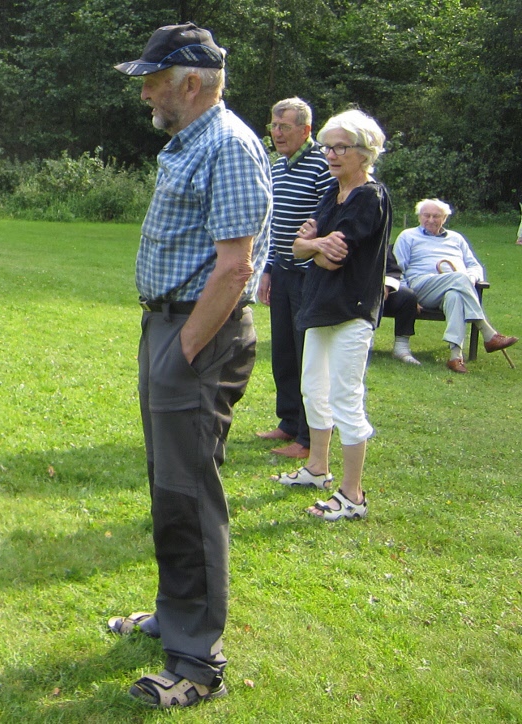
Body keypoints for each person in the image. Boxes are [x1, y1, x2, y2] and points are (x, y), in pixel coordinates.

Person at [108, 23, 271, 709]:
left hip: (197, 337)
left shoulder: (228, 145)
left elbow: (235, 268)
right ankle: (174, 616)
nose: (145, 92)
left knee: (189, 494)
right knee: (168, 485)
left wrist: (183, 351)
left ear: (192, 83)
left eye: (152, 81)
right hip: (169, 328)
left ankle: (198, 664)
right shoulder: (189, 142)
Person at [274, 109, 391, 522]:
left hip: (351, 311)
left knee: (345, 398)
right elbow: (297, 247)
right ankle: (317, 469)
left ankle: (352, 495)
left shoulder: (369, 197)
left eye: (341, 147)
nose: (331, 154)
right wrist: (314, 245)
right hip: (319, 307)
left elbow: (333, 258)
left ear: (365, 152)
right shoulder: (333, 192)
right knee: (313, 390)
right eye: (328, 147)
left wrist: (314, 245)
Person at [255, 97, 334, 460]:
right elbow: (274, 226)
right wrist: (268, 270)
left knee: (308, 357)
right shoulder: (277, 167)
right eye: (273, 126)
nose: (277, 133)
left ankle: (307, 437)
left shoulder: (322, 165)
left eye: (284, 126)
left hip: (310, 276)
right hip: (283, 272)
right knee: (284, 353)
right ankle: (288, 422)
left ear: (306, 130)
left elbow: (327, 220)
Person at [393, 198, 517, 373]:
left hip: (454, 285)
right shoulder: (408, 236)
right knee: (459, 279)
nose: (431, 220)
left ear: (444, 218)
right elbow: (397, 269)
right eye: (426, 215)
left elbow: (474, 266)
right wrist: (408, 296)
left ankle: (455, 356)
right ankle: (488, 333)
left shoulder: (456, 238)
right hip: (421, 287)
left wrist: (470, 279)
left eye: (436, 216)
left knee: (455, 295)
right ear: (419, 217)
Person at [382, 249, 421, 364]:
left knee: (407, 296)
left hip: (378, 291)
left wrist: (386, 286)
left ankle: (401, 348)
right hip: (348, 290)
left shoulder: (378, 241)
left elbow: (392, 270)